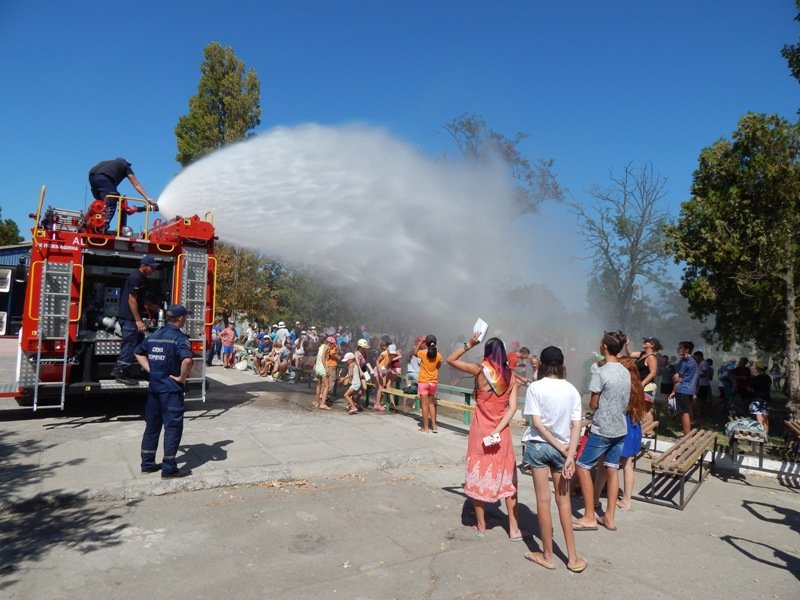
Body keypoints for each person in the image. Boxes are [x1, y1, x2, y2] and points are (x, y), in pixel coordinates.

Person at [447, 334, 525, 540]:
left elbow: (451, 360)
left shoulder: (480, 372)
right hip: (501, 433)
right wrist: (498, 430)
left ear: (488, 353)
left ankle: (481, 526)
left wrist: (469, 344)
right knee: (507, 481)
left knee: (479, 475)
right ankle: (514, 529)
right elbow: (513, 408)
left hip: (480, 432)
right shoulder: (511, 378)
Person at [521, 346, 587, 573]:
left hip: (539, 447)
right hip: (564, 451)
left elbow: (536, 423)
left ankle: (547, 555)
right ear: (561, 364)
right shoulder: (572, 390)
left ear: (543, 364)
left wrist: (556, 445)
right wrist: (570, 454)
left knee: (542, 502)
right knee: (564, 503)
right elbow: (577, 424)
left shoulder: (535, 388)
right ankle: (573, 558)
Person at [573, 331, 630, 533]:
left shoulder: (601, 371)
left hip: (603, 427)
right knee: (612, 469)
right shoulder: (625, 371)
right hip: (620, 427)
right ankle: (610, 517)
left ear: (604, 347)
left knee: (582, 466)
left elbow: (593, 402)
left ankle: (589, 515)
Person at [134, 304, 194, 478]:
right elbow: (188, 361)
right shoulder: (179, 338)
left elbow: (138, 352)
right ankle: (169, 467)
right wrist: (182, 378)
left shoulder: (154, 336)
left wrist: (150, 369)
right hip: (171, 390)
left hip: (154, 389)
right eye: (185, 317)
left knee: (152, 426)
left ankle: (147, 463)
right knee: (173, 427)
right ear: (181, 318)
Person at [595, 356, 647, 512]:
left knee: (605, 463)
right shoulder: (638, 386)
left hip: (620, 426)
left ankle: (595, 498)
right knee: (627, 463)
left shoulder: (622, 385)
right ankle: (626, 500)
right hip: (634, 426)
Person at [112, 255, 159, 385]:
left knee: (139, 346)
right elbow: (132, 300)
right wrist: (138, 321)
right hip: (129, 319)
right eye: (152, 267)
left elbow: (140, 299)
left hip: (132, 319)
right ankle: (120, 371)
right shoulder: (136, 278)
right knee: (130, 345)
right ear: (144, 266)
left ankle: (142, 370)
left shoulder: (142, 278)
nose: (154, 270)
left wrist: (153, 306)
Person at [88, 157, 156, 230]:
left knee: (100, 206)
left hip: (92, 178)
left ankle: (92, 224)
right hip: (105, 179)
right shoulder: (125, 166)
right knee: (111, 203)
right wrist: (147, 198)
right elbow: (136, 184)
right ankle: (102, 227)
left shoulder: (106, 163)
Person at [668, 341, 698, 434]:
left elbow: (678, 378)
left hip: (683, 389)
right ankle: (687, 434)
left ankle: (686, 436)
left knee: (683, 413)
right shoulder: (692, 361)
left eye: (680, 347)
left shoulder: (686, 361)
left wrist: (673, 391)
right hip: (689, 390)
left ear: (687, 350)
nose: (678, 349)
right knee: (686, 412)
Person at [417, 335, 443, 433]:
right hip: (433, 382)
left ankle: (426, 428)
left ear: (426, 343)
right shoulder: (439, 355)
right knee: (431, 404)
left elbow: (415, 353)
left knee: (424, 405)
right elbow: (438, 366)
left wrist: (420, 343)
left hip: (423, 382)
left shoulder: (423, 353)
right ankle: (434, 426)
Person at [749, 361, 772, 434]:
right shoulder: (768, 378)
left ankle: (761, 434)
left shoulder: (756, 378)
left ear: (758, 368)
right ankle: (765, 435)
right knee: (765, 417)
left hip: (757, 398)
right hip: (766, 399)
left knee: (759, 415)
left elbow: (749, 388)